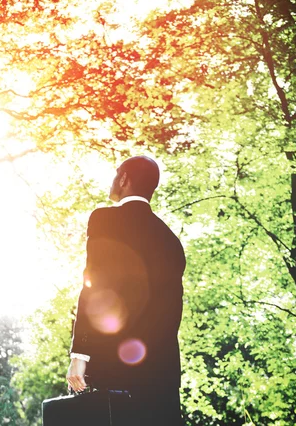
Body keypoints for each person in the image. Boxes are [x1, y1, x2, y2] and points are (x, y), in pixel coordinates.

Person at [66, 156, 186, 425]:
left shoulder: (105, 219)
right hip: (162, 375)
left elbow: (95, 283)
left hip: (115, 369)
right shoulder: (171, 240)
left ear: (123, 179)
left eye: (116, 174)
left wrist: (80, 355)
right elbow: (173, 312)